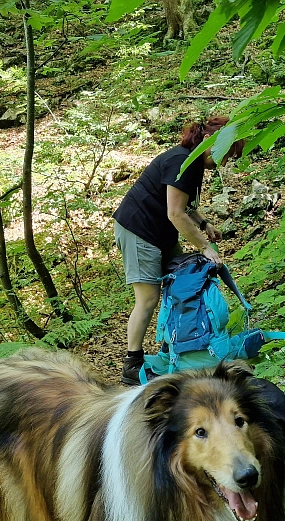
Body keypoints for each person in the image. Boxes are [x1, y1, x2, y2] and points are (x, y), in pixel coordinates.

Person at [113, 115, 243, 385]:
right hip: (139, 230)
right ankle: (132, 363)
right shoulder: (181, 161)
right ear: (210, 141)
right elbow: (175, 213)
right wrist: (205, 247)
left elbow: (184, 206)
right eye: (226, 152)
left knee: (180, 283)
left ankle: (171, 348)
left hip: (160, 233)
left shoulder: (193, 163)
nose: (225, 160)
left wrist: (204, 224)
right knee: (147, 298)